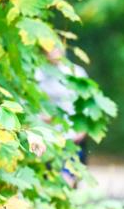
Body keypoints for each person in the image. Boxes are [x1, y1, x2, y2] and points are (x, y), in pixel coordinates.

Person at [35, 43, 89, 186]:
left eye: (57, 48)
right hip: (48, 136)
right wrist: (39, 119)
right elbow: (30, 103)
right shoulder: (37, 74)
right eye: (50, 49)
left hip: (72, 134)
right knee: (49, 177)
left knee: (72, 177)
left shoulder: (76, 73)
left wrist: (83, 128)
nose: (54, 53)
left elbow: (86, 103)